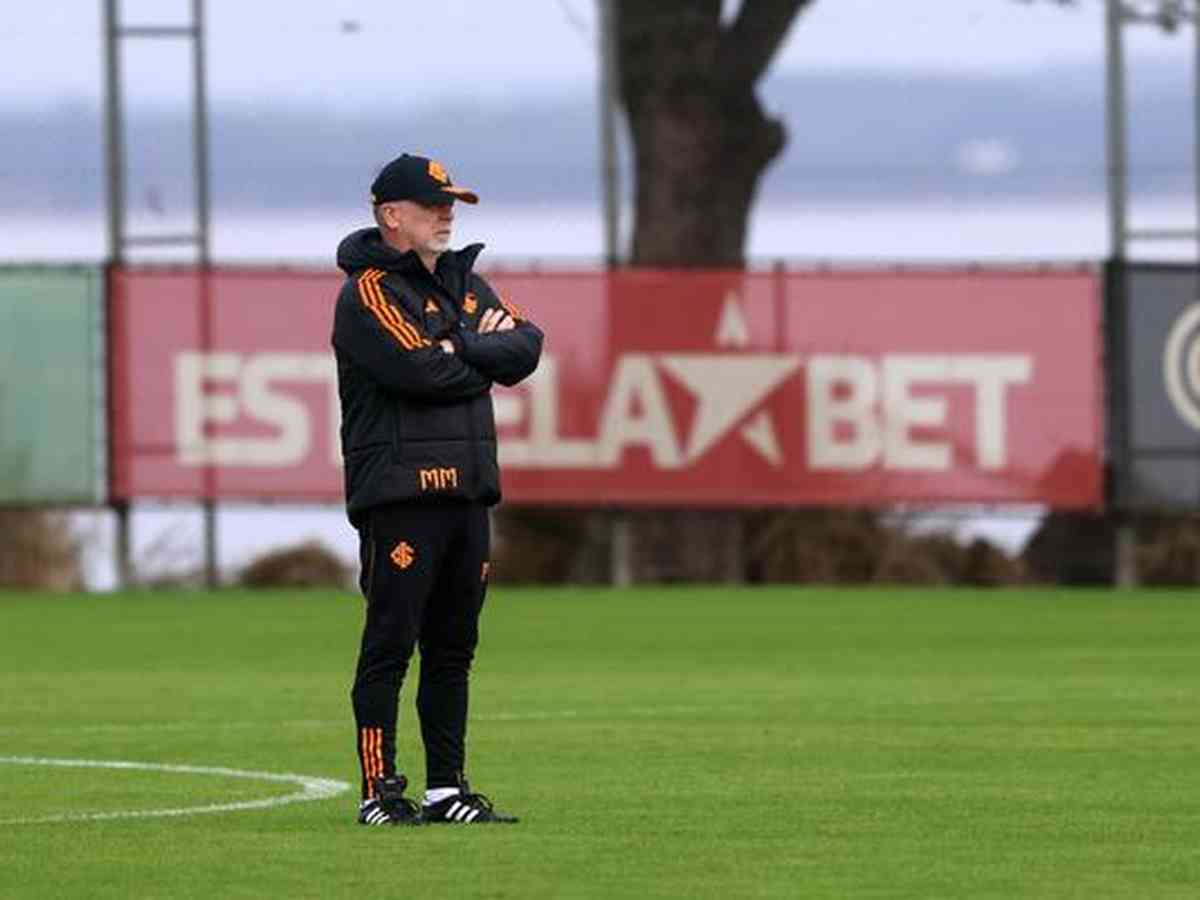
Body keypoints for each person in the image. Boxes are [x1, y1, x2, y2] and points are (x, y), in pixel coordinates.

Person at [331, 153, 543, 826]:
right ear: (393, 215)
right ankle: (378, 791)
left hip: (467, 493)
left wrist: (457, 348)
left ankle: (446, 789)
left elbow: (528, 347)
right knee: (390, 643)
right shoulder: (367, 292)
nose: (448, 213)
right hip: (401, 494)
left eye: (452, 203)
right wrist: (471, 350)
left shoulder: (466, 283)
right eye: (434, 204)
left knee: (454, 648)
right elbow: (419, 371)